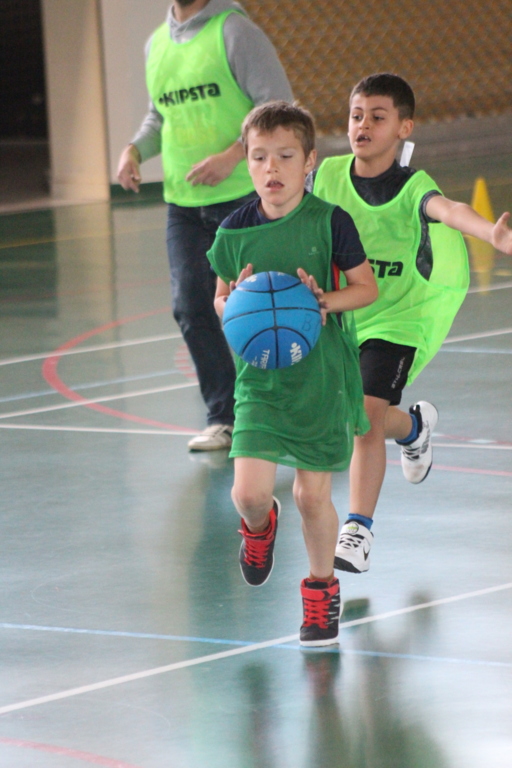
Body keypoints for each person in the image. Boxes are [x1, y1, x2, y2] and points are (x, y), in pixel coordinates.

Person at [313, 73, 512, 574]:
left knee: (363, 416)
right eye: (356, 115)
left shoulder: (412, 186)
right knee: (358, 417)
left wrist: (490, 233)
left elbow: (450, 210)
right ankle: (416, 428)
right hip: (345, 312)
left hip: (399, 317)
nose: (363, 125)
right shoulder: (328, 174)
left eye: (377, 117)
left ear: (404, 127)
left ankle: (358, 529)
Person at [207, 101, 378, 646]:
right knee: (248, 495)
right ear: (248, 164)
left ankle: (321, 594)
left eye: (285, 156)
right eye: (259, 157)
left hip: (320, 379)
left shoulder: (331, 222)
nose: (271, 168)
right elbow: (220, 300)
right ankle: (259, 529)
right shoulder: (233, 231)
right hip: (261, 380)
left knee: (311, 497)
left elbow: (366, 289)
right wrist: (234, 302)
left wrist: (322, 301)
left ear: (309, 162)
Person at [117, 0, 293, 451]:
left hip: (244, 196)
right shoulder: (156, 44)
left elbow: (277, 108)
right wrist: (134, 150)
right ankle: (224, 416)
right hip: (184, 203)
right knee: (191, 306)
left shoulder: (234, 31)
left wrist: (234, 155)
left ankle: (287, 409)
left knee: (266, 308)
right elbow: (160, 115)